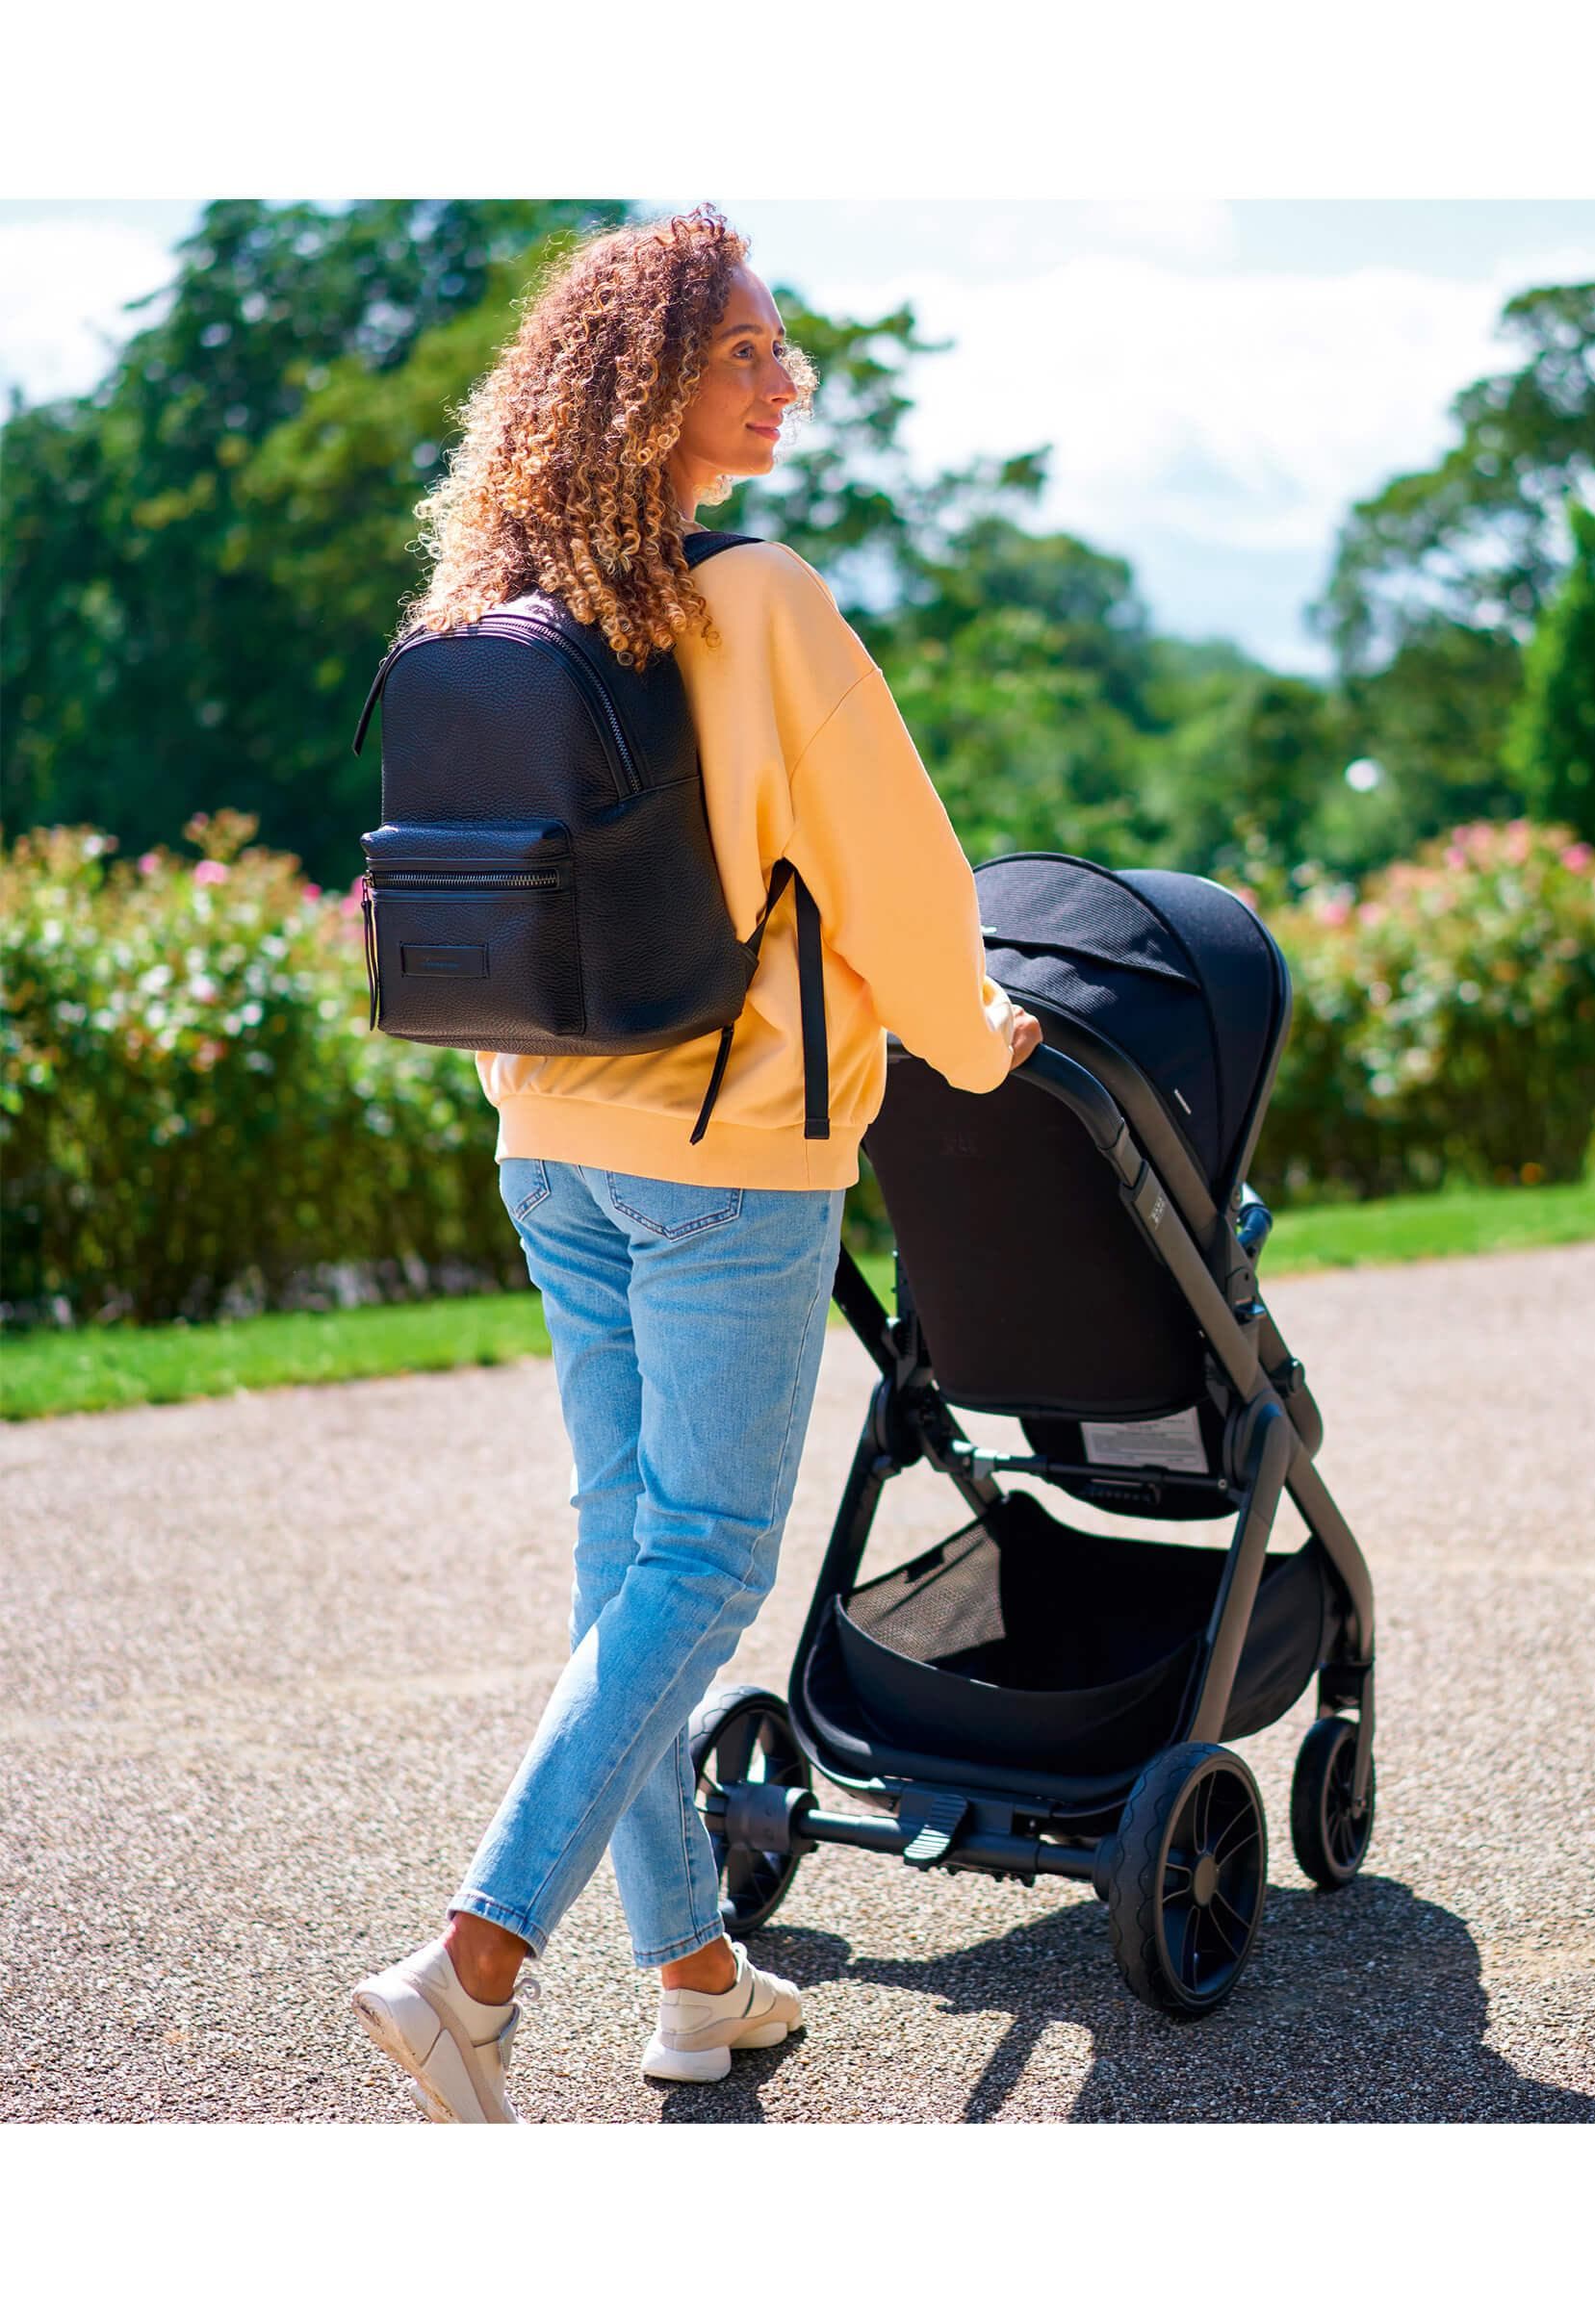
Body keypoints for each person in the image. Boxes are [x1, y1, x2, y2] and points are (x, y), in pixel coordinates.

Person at [350, 207, 1042, 2124]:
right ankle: (472, 1961)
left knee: (625, 1568)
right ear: (648, 379)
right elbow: (906, 885)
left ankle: (692, 1982)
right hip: (730, 1151)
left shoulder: (496, 610)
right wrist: (979, 1037)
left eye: (779, 350)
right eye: (746, 349)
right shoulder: (766, 607)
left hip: (551, 1137)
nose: (781, 382)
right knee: (702, 1562)